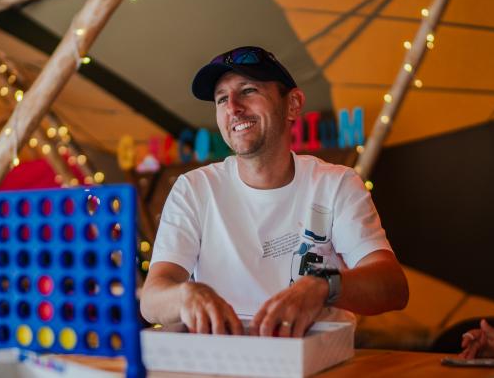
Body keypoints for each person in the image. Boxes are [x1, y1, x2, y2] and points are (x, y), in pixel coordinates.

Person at [140, 46, 409, 337]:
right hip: (220, 360)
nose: (232, 107)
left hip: (315, 360)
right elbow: (152, 299)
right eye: (221, 99)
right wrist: (184, 296)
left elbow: (393, 286)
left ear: (293, 104)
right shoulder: (194, 188)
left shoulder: (335, 183)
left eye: (248, 90)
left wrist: (322, 285)